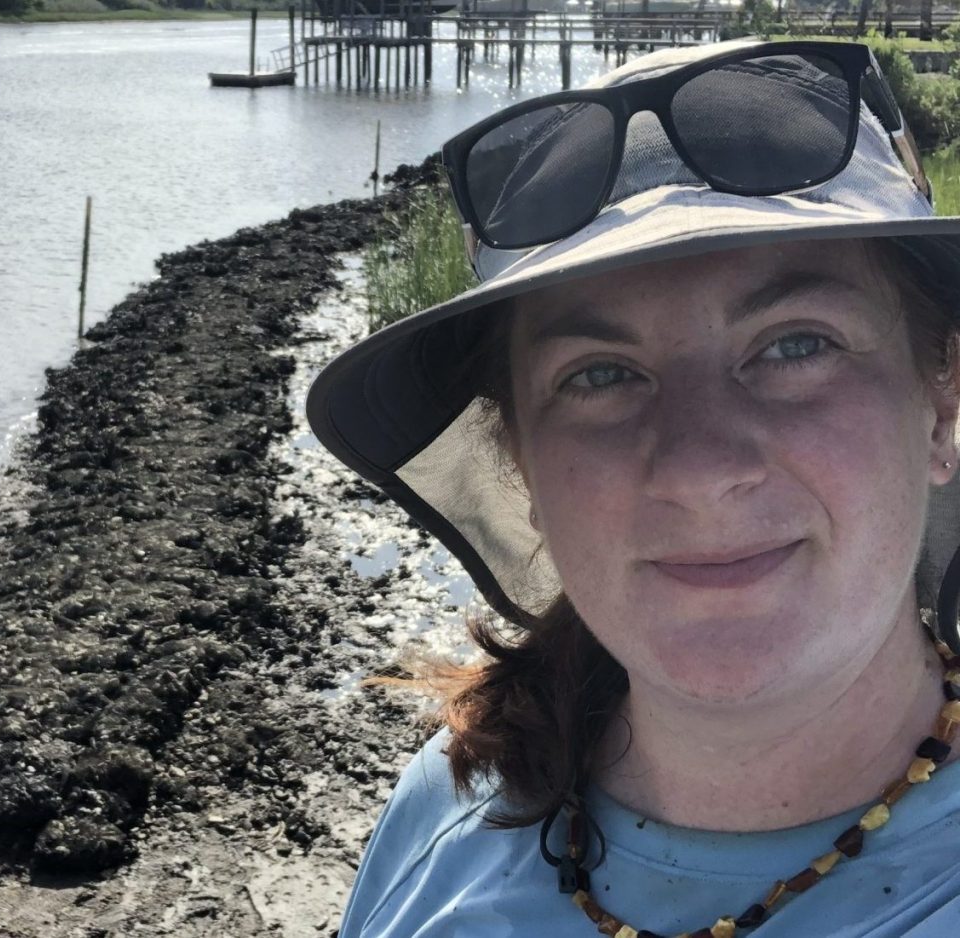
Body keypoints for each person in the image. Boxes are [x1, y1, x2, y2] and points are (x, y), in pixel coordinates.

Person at [305, 39, 960, 936]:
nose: (700, 471)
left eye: (796, 344)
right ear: (520, 461)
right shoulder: (455, 802)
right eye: (601, 375)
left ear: (942, 404)